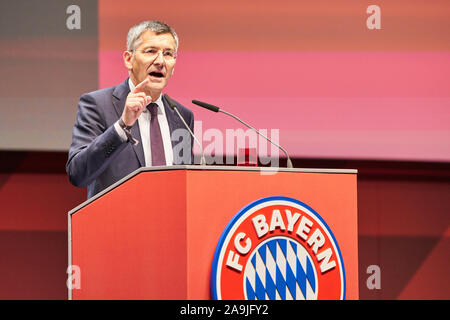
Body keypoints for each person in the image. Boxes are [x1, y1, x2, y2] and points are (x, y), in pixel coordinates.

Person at [66, 20, 194, 199]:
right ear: (128, 59)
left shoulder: (182, 116)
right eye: (150, 51)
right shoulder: (97, 104)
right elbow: (78, 174)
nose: (160, 61)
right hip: (116, 223)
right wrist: (122, 126)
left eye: (168, 54)